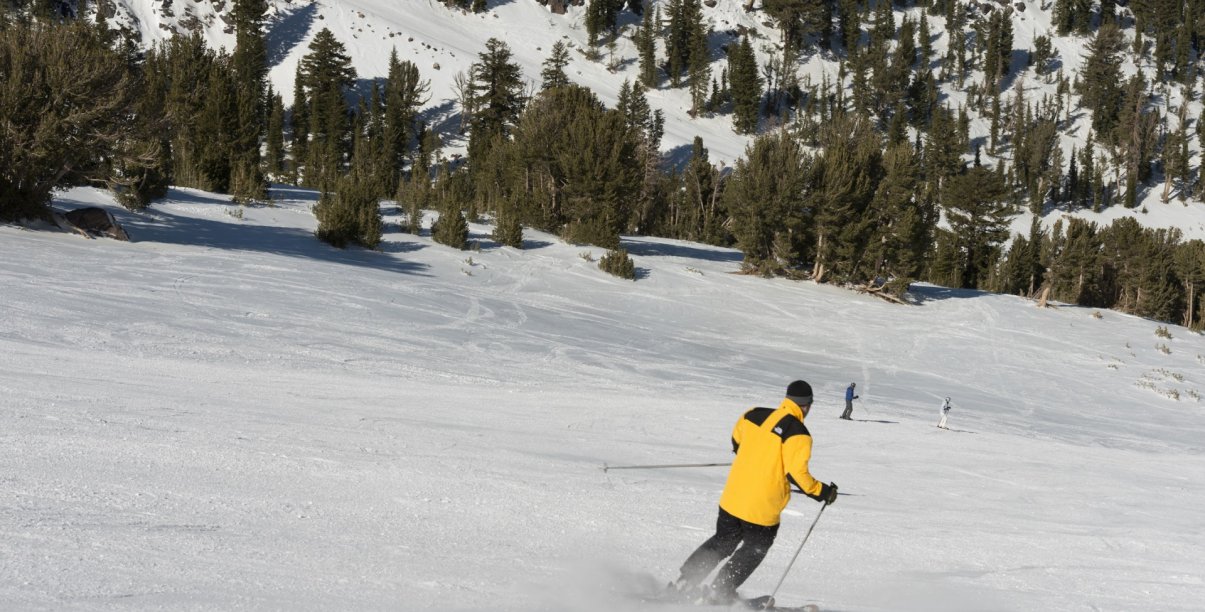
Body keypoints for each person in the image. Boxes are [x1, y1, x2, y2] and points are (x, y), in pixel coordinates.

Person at [672, 380, 838, 604]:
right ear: (807, 405)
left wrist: (755, 457)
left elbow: (737, 440)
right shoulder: (798, 433)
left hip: (733, 497)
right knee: (754, 548)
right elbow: (797, 475)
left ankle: (686, 581)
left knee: (723, 540)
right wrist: (823, 492)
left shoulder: (753, 414)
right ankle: (721, 590)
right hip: (761, 508)